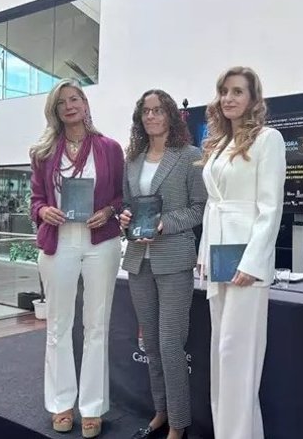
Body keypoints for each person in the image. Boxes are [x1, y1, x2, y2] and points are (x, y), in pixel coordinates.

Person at [29, 78, 124, 438]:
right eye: (61, 102)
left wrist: (109, 212)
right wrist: (44, 212)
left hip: (100, 241)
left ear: (85, 103)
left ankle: (93, 408)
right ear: (55, 111)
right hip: (60, 241)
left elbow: (120, 197)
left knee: (97, 325)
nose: (69, 106)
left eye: (74, 99)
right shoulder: (42, 152)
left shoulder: (110, 148)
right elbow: (35, 200)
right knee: (58, 325)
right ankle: (61, 403)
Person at [198, 66, 286, 439]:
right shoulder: (218, 143)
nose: (229, 98)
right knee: (221, 356)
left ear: (253, 98)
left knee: (239, 359)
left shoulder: (268, 139)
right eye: (224, 91)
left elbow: (270, 209)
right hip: (218, 257)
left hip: (247, 262)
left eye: (237, 91)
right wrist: (204, 255)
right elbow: (213, 206)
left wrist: (253, 262)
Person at [120, 89, 207, 439]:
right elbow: (128, 207)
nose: (152, 116)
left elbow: (199, 209)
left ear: (170, 114)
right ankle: (161, 410)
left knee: (171, 344)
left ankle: (179, 423)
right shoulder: (133, 160)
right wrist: (126, 219)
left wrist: (164, 223)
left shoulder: (190, 157)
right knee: (152, 344)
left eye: (158, 110)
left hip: (174, 260)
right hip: (139, 262)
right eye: (146, 111)